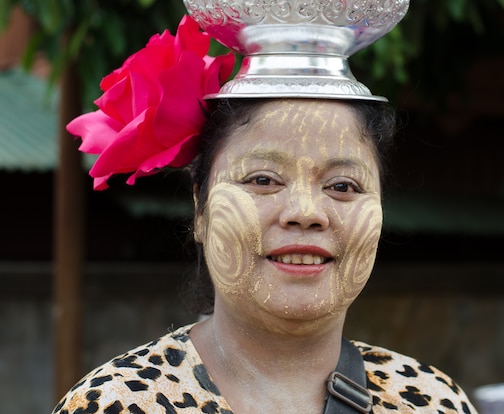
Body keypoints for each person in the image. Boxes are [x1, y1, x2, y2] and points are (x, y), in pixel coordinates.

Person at [52, 7, 478, 414]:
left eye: (343, 186)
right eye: (263, 180)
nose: (306, 212)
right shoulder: (118, 403)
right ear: (200, 209)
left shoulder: (433, 400)